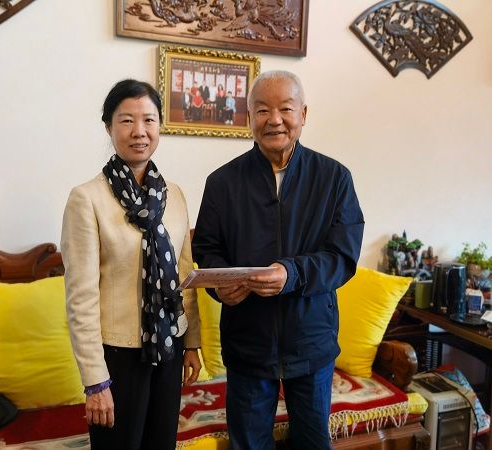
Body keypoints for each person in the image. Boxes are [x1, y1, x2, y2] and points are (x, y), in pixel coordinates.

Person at [192, 70, 364, 450]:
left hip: (311, 340)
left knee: (313, 444)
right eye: (262, 110)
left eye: (285, 109)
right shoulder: (222, 183)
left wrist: (292, 273)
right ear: (248, 117)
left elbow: (342, 256)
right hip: (247, 342)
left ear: (303, 114)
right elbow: (206, 249)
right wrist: (222, 288)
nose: (274, 120)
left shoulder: (334, 178)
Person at [61, 79, 202, 450]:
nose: (139, 131)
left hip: (168, 346)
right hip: (118, 356)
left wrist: (192, 343)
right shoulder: (87, 199)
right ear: (109, 127)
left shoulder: (174, 195)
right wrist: (95, 381)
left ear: (160, 126)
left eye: (149, 120)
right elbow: (81, 298)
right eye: (126, 120)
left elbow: (184, 276)